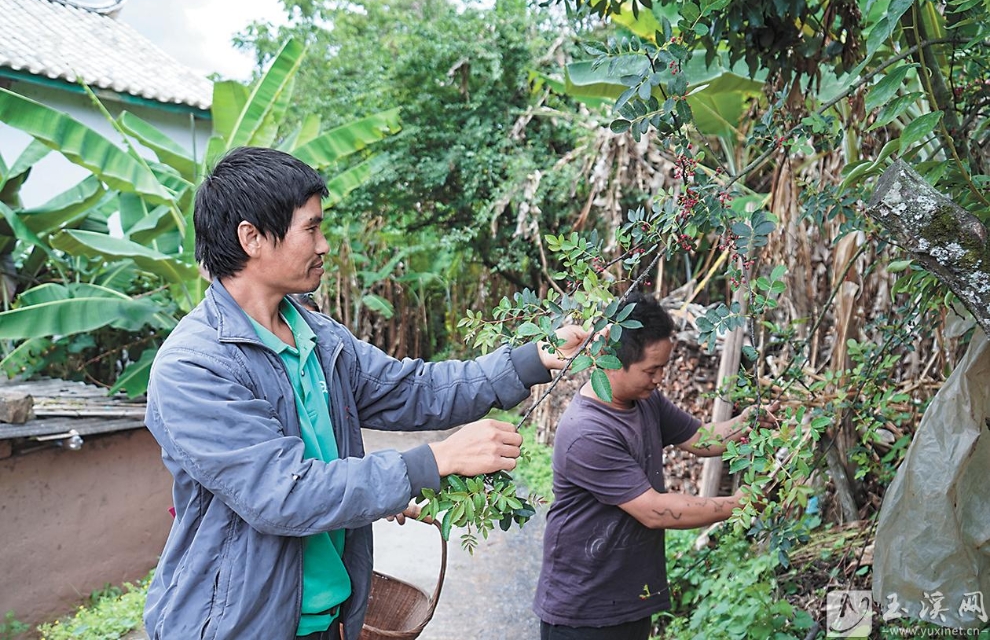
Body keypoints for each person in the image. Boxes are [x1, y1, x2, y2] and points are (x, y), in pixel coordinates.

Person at [142, 146, 585, 640]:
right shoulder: (195, 365)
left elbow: (412, 389)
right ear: (251, 238)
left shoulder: (318, 337)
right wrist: (434, 461)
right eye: (311, 228)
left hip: (329, 622)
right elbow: (283, 493)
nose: (325, 244)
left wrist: (531, 358)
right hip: (237, 626)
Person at [533, 292, 778, 640]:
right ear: (613, 362)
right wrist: (736, 505)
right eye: (652, 369)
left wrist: (746, 422)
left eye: (663, 368)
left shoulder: (644, 400)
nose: (660, 378)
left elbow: (699, 438)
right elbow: (656, 511)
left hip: (630, 602)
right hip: (583, 614)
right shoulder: (586, 432)